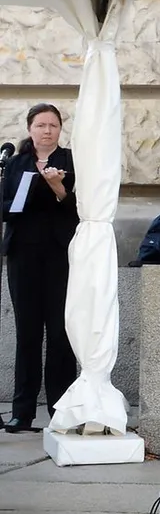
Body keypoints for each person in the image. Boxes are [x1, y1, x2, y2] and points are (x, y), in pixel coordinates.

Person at [2, 103, 78, 433]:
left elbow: (82, 208)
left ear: (60, 130)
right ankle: (22, 411)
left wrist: (59, 188)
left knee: (61, 335)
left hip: (60, 256)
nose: (47, 131)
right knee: (28, 334)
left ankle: (62, 410)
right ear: (30, 129)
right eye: (41, 125)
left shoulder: (70, 161)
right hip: (23, 255)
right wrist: (26, 192)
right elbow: (6, 207)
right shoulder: (15, 163)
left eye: (53, 125)